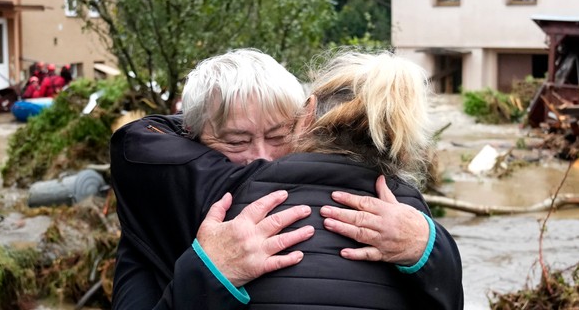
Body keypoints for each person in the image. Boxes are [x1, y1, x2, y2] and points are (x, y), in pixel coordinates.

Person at [110, 49, 462, 309]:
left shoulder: (395, 209)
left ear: (305, 122)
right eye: (236, 141)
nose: (261, 156)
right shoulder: (160, 201)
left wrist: (426, 245)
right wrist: (210, 273)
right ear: (190, 137)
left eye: (279, 137)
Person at [221, 50, 462, 308]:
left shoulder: (235, 193)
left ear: (307, 113)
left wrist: (209, 269)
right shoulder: (409, 218)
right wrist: (431, 247)